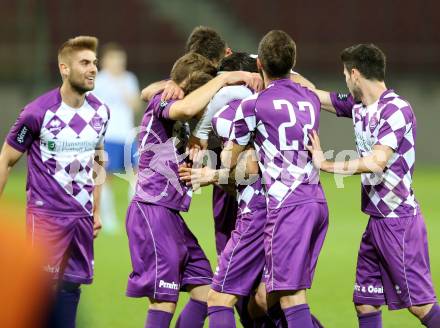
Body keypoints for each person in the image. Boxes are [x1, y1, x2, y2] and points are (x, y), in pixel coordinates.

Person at [307, 43, 440, 328]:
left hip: (399, 224)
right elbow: (313, 95)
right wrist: (276, 69)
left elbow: (377, 161)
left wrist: (327, 164)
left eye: (344, 74)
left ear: (354, 74)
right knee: (365, 300)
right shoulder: (359, 106)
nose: (344, 80)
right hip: (377, 223)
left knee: (420, 306)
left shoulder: (396, 109)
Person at [125, 51, 256, 328]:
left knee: (206, 289)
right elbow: (183, 107)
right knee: (164, 298)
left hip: (172, 217)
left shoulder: (182, 113)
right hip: (152, 210)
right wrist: (226, 80)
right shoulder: (167, 101)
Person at [0, 35, 109, 328]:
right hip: (46, 216)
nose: (93, 69)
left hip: (82, 217)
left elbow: (98, 159)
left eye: (94, 63)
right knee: (39, 292)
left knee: (72, 287)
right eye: (85, 63)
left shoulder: (100, 111)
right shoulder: (37, 112)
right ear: (64, 68)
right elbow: (6, 159)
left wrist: (96, 209)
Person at [224, 30, 328, 328]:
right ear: (293, 62)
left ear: (260, 66)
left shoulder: (253, 106)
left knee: (292, 298)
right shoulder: (310, 99)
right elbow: (304, 85)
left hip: (288, 206)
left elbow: (229, 161)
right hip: (316, 202)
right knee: (261, 301)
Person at [93, 42, 140, 234]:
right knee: (106, 178)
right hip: (108, 136)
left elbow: (136, 105)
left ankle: (136, 216)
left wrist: (122, 85)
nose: (118, 63)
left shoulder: (129, 79)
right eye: (114, 59)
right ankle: (108, 218)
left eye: (121, 60)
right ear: (105, 61)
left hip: (128, 135)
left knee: (138, 175)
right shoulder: (98, 80)